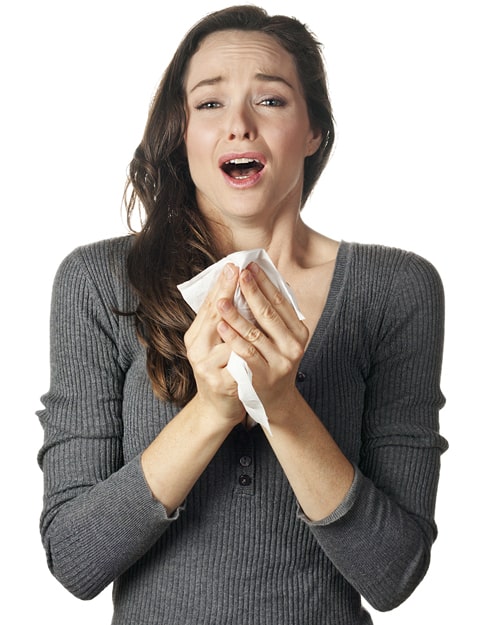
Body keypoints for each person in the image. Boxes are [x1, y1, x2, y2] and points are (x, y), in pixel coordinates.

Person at [37, 5, 448, 624]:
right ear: (181, 132)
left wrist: (282, 405)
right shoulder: (97, 283)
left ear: (313, 132)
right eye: (209, 104)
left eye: (272, 101)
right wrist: (212, 410)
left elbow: (393, 574)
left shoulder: (396, 290)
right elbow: (75, 559)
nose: (239, 126)